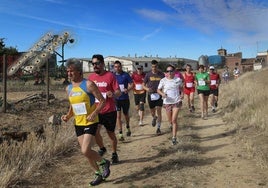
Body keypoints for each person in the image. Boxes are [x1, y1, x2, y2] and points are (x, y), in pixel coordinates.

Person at [61, 58, 110, 186]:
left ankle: (104, 162)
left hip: (90, 122)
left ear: (79, 71)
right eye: (67, 71)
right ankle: (98, 173)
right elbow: (72, 106)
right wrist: (67, 116)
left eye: (71, 71)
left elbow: (102, 101)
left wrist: (94, 113)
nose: (69, 74)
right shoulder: (68, 88)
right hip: (78, 123)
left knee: (85, 150)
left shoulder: (88, 84)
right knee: (87, 154)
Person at [88, 54, 121, 164]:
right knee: (95, 132)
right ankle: (102, 148)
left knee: (110, 134)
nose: (95, 66)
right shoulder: (91, 78)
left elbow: (118, 92)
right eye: (93, 64)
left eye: (97, 63)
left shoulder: (110, 76)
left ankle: (114, 153)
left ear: (102, 64)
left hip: (109, 110)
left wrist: (113, 94)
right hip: (96, 111)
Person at [157, 64, 184, 145]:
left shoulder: (178, 79)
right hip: (167, 103)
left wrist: (182, 94)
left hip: (176, 101)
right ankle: (172, 127)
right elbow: (158, 89)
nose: (169, 72)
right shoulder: (163, 80)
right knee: (170, 121)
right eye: (168, 71)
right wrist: (162, 94)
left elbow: (181, 88)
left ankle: (174, 138)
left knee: (174, 120)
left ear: (174, 72)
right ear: (166, 72)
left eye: (171, 71)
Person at [143, 60, 165, 135]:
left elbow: (165, 83)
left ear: (157, 66)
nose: (154, 68)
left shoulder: (161, 74)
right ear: (151, 66)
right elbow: (143, 85)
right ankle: (154, 117)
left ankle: (158, 128)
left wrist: (164, 92)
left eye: (155, 66)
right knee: (152, 112)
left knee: (159, 111)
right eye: (152, 67)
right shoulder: (148, 75)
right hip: (151, 95)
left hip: (159, 95)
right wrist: (147, 89)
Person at [113, 60, 133, 141]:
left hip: (125, 98)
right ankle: (120, 133)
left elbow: (132, 84)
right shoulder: (112, 76)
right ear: (114, 67)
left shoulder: (125, 75)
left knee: (126, 115)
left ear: (121, 67)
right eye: (116, 67)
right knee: (118, 116)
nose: (117, 68)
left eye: (119, 66)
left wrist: (127, 89)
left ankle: (128, 127)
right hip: (116, 99)